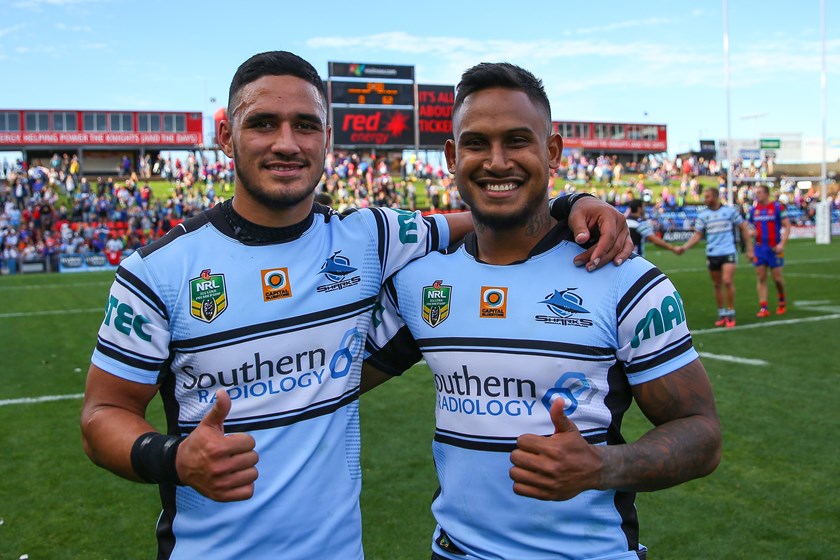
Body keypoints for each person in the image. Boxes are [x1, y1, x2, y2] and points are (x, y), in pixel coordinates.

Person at [79, 51, 632, 560]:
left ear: (327, 139)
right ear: (226, 136)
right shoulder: (157, 271)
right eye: (263, 123)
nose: (286, 144)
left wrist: (573, 203)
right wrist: (174, 458)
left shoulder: (370, 238)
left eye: (305, 125)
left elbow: (493, 214)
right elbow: (102, 415)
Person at [364, 62, 721, 560]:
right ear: (451, 156)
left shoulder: (623, 279)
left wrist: (601, 467)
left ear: (552, 151)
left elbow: (702, 434)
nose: (497, 162)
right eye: (476, 143)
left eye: (517, 141)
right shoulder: (419, 281)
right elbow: (325, 380)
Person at [678, 186, 754, 327]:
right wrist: (684, 247)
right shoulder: (703, 215)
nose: (705, 199)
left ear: (715, 197)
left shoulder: (730, 212)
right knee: (717, 284)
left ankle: (731, 313)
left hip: (728, 251)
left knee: (727, 281)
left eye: (707, 196)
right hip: (712, 253)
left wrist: (750, 248)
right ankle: (722, 313)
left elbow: (743, 227)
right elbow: (697, 235)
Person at [748, 184, 790, 317]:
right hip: (759, 248)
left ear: (767, 194)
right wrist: (750, 233)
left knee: (777, 278)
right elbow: (748, 227)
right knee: (761, 277)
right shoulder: (753, 210)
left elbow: (787, 225)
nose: (757, 195)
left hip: (774, 248)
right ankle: (763, 307)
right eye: (756, 193)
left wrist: (782, 244)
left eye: (760, 192)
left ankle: (782, 300)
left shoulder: (777, 208)